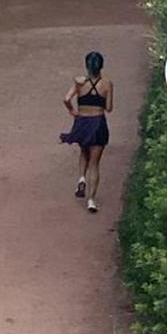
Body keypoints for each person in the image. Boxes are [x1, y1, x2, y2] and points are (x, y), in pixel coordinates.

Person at [60, 51, 114, 213]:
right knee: (95, 163)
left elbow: (66, 99)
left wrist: (72, 111)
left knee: (84, 152)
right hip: (98, 122)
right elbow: (109, 108)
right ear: (101, 66)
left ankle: (81, 178)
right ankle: (91, 200)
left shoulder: (79, 83)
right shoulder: (107, 84)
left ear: (86, 65)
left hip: (82, 122)